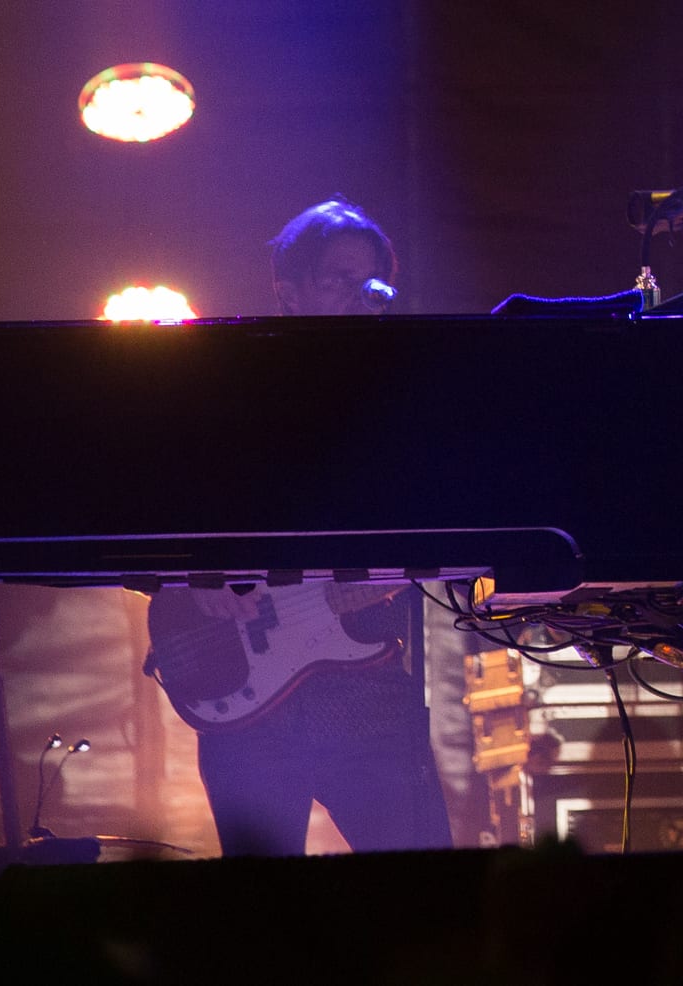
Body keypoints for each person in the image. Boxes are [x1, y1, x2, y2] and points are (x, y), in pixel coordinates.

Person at [139, 197, 456, 856]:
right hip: (244, 707)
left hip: (369, 696)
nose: (361, 296)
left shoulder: (402, 396)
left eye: (372, 283)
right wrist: (192, 577)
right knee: (266, 907)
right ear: (288, 289)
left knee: (427, 889)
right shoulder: (226, 389)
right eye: (340, 280)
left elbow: (437, 513)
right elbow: (154, 502)